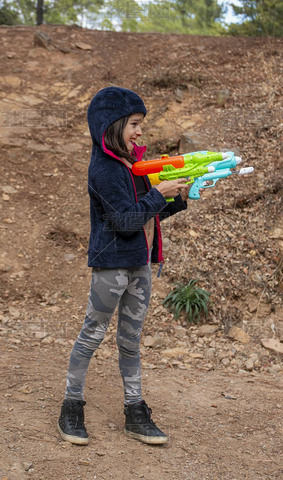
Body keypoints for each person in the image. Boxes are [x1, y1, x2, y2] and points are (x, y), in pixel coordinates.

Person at [57, 86, 189, 446]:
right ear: (112, 125)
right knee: (92, 335)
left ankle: (134, 412)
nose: (140, 131)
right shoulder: (104, 168)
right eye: (134, 124)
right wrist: (157, 194)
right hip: (111, 265)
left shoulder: (135, 165)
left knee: (130, 341)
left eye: (141, 124)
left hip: (139, 265)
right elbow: (125, 221)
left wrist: (180, 196)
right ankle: (71, 406)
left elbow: (149, 211)